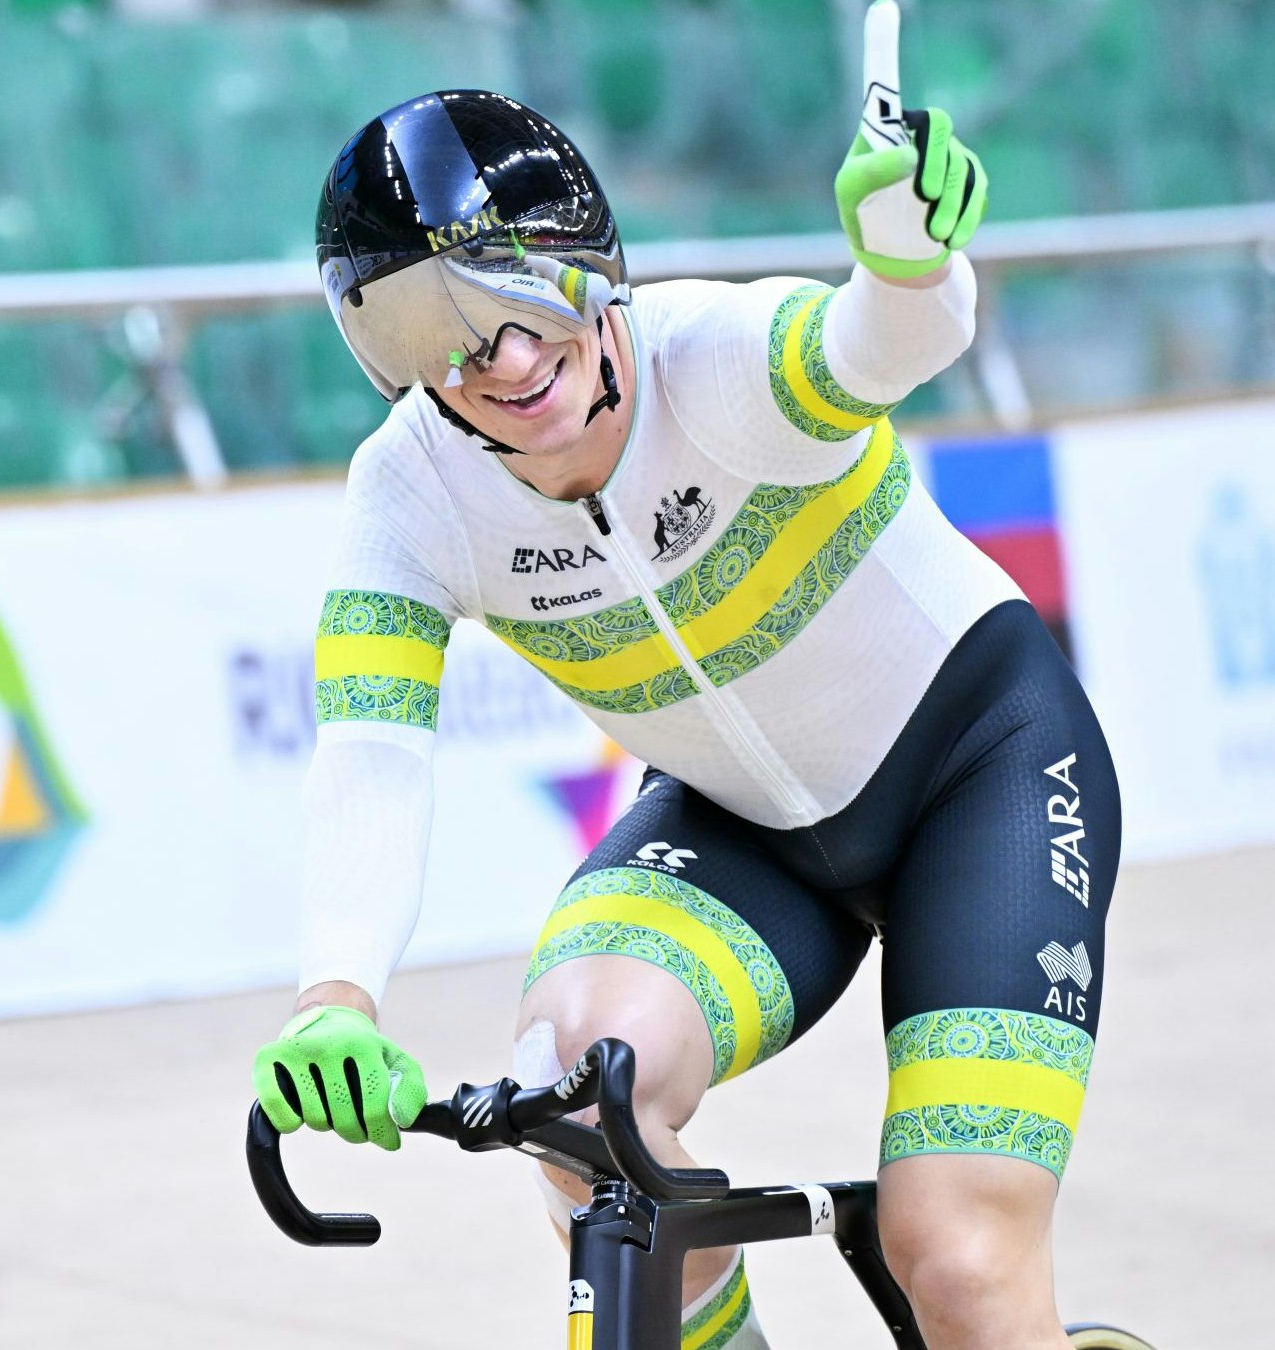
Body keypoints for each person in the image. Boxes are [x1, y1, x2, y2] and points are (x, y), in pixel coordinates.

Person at [253, 7, 1121, 1348]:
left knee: (951, 1249)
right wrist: (336, 994)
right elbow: (370, 745)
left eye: (523, 295)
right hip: (741, 823)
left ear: (598, 270)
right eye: (446, 338)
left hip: (981, 765)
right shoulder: (409, 493)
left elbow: (883, 346)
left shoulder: (712, 360)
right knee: (572, 1094)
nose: (508, 359)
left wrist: (904, 259)